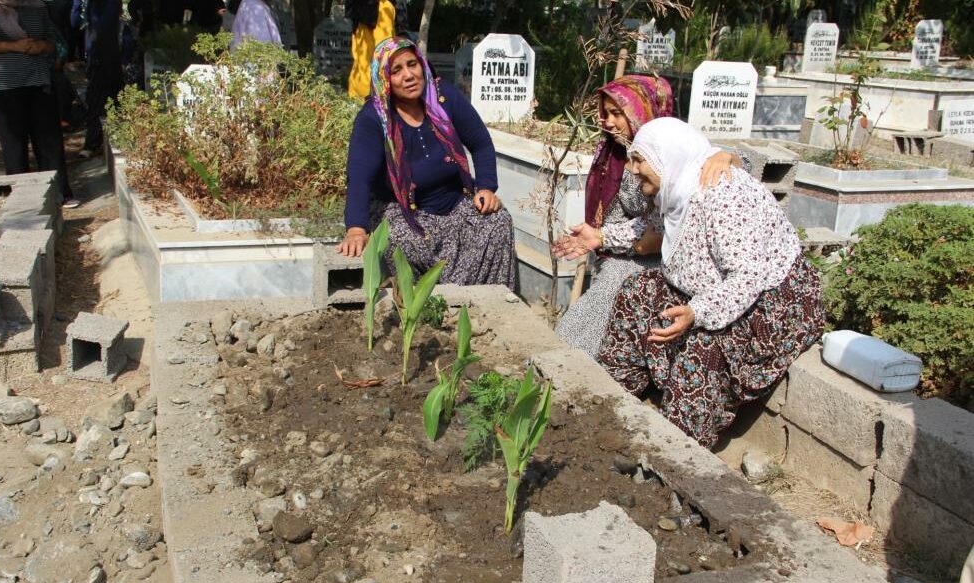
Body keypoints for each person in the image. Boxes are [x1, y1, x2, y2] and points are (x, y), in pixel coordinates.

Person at [596, 118, 824, 447]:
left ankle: (674, 451)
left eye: (639, 160)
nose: (632, 169)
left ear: (666, 158)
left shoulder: (724, 198)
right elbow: (651, 226)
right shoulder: (679, 186)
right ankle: (612, 399)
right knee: (638, 293)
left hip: (772, 304)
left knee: (703, 344)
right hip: (714, 288)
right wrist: (600, 235)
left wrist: (696, 311)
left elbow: (747, 277)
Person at [552, 75, 743, 358]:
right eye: (605, 113)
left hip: (664, 254)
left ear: (642, 111)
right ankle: (568, 357)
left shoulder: (669, 147)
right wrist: (600, 237)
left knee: (616, 287)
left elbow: (732, 165)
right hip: (630, 245)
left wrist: (727, 157)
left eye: (618, 113)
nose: (608, 122)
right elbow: (643, 222)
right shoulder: (615, 153)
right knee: (609, 284)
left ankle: (578, 361)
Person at [337, 37, 516, 290]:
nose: (408, 75)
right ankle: (426, 308)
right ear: (384, 78)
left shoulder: (444, 96)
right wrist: (356, 228)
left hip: (453, 201)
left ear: (423, 64)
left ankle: (482, 305)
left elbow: (481, 143)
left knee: (497, 222)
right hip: (402, 210)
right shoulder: (373, 118)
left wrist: (486, 187)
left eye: (413, 64)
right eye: (396, 70)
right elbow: (359, 178)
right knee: (399, 240)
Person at [0, 0, 79, 207]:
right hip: (5, 84)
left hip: (40, 80)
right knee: (14, 143)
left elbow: (53, 41)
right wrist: (13, 46)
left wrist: (42, 45)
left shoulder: (37, 5)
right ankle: (23, 199)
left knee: (49, 140)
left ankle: (60, 193)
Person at [72, 0, 123, 158]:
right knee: (96, 100)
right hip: (94, 58)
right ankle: (94, 142)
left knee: (105, 100)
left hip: (107, 58)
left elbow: (104, 28)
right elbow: (74, 22)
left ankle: (94, 143)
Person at [346, 0, 406, 99]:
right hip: (366, 13)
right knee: (367, 59)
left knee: (382, 57)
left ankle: (375, 98)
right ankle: (365, 98)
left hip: (380, 12)